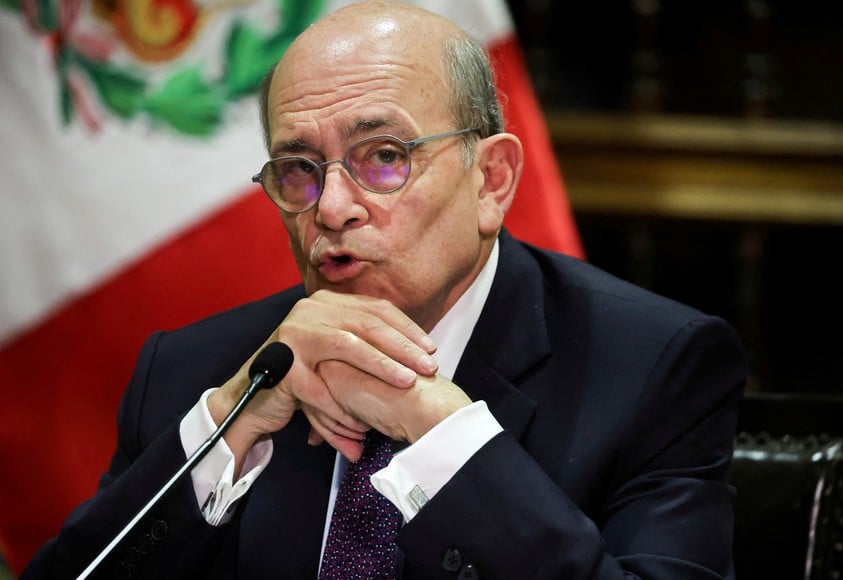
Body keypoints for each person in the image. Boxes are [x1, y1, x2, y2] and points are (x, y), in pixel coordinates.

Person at [22, 0, 747, 578]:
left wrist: (439, 433)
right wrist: (229, 428)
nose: (331, 208)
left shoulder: (653, 367)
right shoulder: (196, 374)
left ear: (491, 180)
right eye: (299, 169)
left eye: (384, 158)